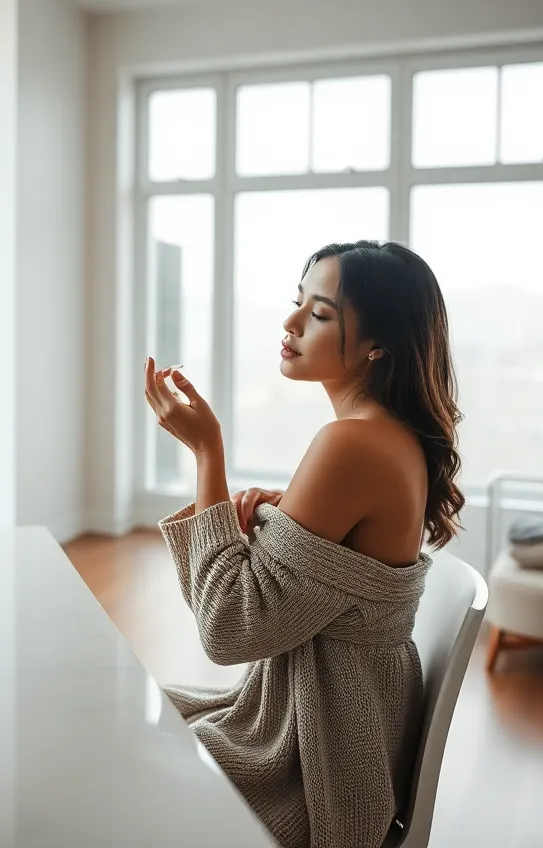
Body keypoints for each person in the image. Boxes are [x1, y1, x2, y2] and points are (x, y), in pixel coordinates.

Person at [143, 239, 464, 848]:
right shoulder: (393, 436)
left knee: (117, 743)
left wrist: (207, 450)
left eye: (319, 314)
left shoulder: (352, 443)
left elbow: (229, 627)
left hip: (319, 763)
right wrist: (280, 518)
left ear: (377, 346)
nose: (290, 323)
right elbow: (336, 567)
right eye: (298, 302)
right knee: (134, 715)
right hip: (352, 733)